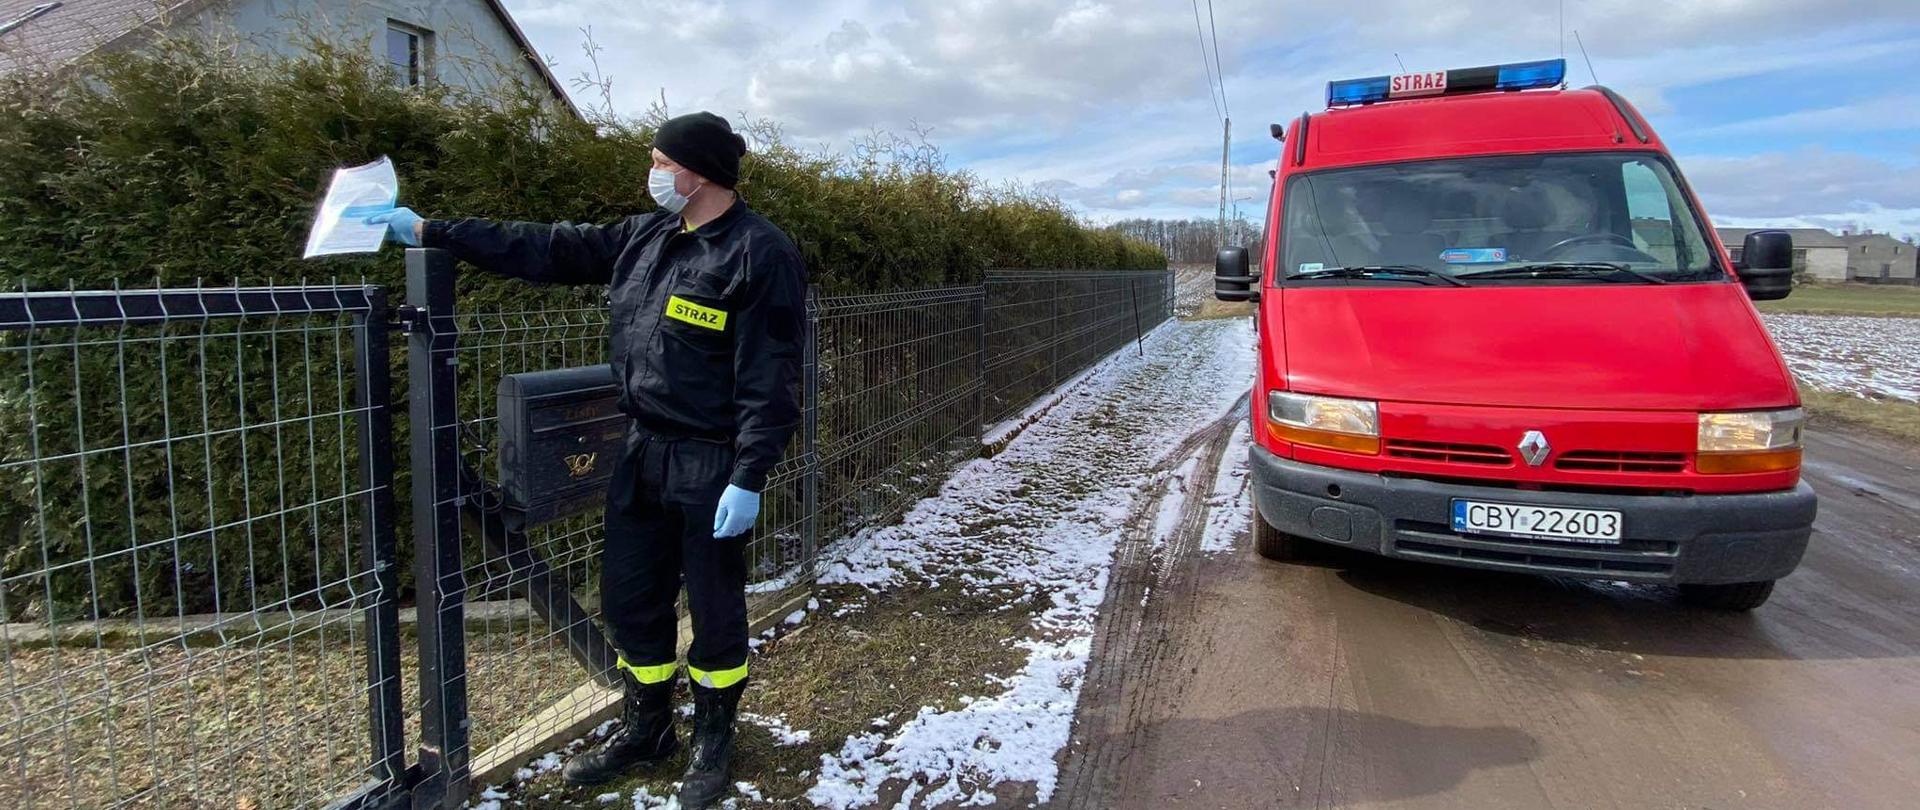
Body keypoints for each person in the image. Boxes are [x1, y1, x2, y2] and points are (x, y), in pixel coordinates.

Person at [369, 112, 805, 808]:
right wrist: (433, 230)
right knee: (632, 600)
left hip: (709, 463)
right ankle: (648, 728)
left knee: (716, 607)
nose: (653, 172)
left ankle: (714, 739)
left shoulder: (760, 253)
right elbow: (544, 248)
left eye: (661, 161)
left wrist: (749, 473)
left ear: (698, 172)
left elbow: (771, 375)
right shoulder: (646, 236)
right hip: (640, 454)